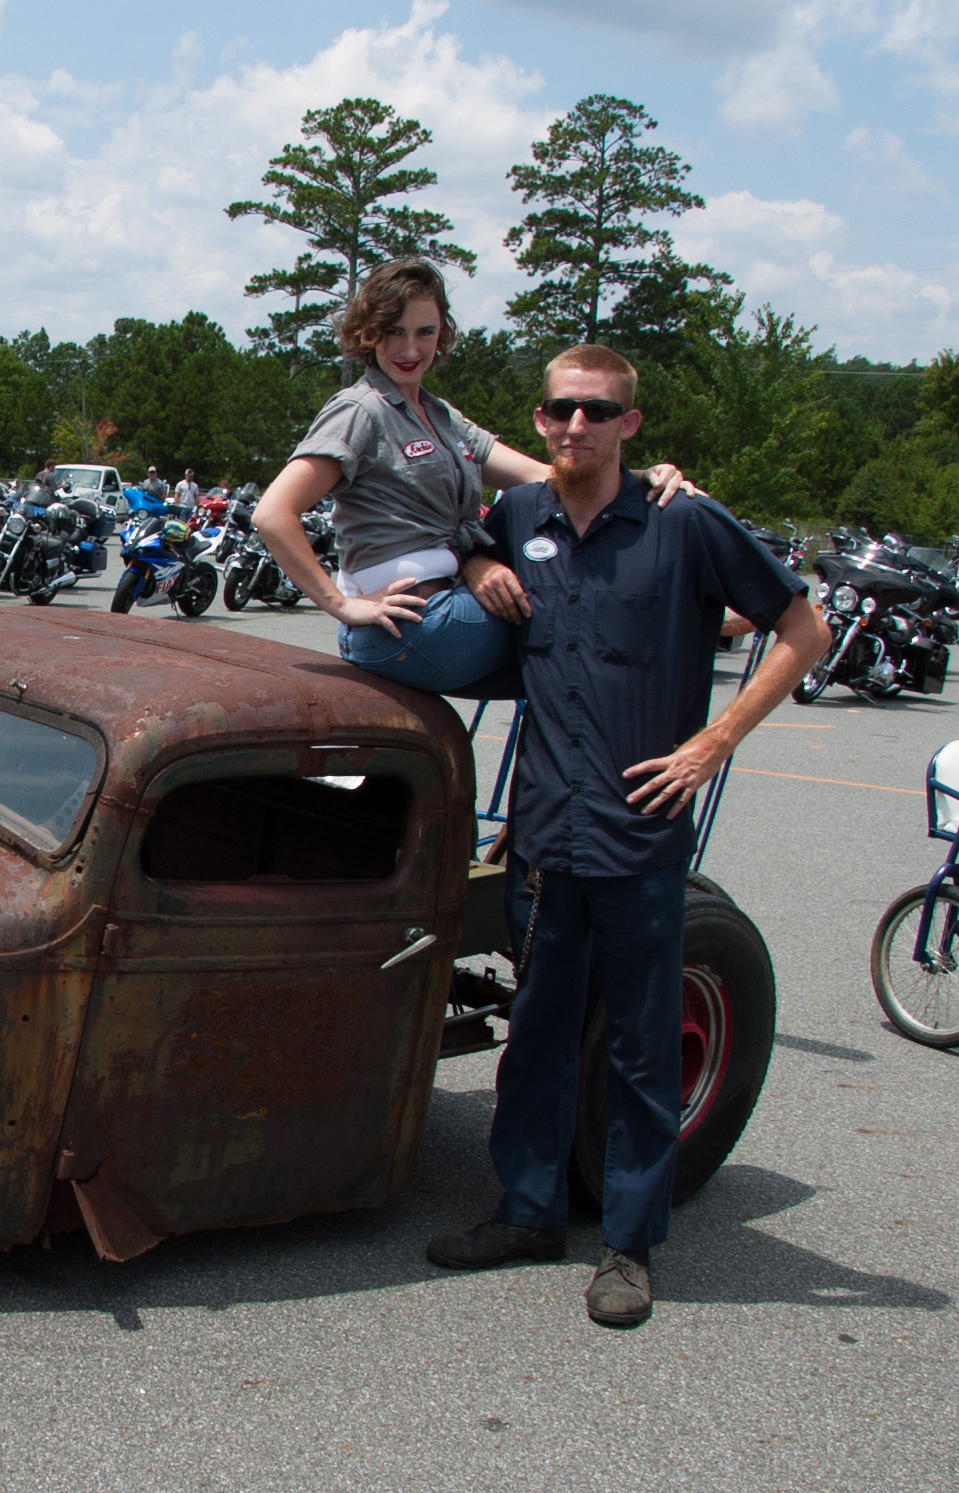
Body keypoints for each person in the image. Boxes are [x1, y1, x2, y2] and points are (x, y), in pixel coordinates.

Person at [423, 343, 830, 1328]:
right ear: (540, 419)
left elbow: (802, 630)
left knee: (641, 1047)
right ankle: (526, 1213)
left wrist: (715, 743)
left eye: (597, 411)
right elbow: (460, 544)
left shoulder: (684, 520)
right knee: (537, 1034)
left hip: (640, 835)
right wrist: (479, 565)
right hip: (544, 829)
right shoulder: (521, 515)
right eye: (561, 409)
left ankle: (628, 1245)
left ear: (629, 424)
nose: (577, 425)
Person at [255, 260, 690, 695]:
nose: (410, 349)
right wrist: (342, 605)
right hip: (416, 626)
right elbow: (273, 514)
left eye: (425, 332)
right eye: (393, 332)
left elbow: (542, 477)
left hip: (449, 612)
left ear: (442, 334)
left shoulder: (441, 416)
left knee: (580, 658)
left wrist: (642, 477)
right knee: (579, 629)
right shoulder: (360, 410)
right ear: (368, 333)